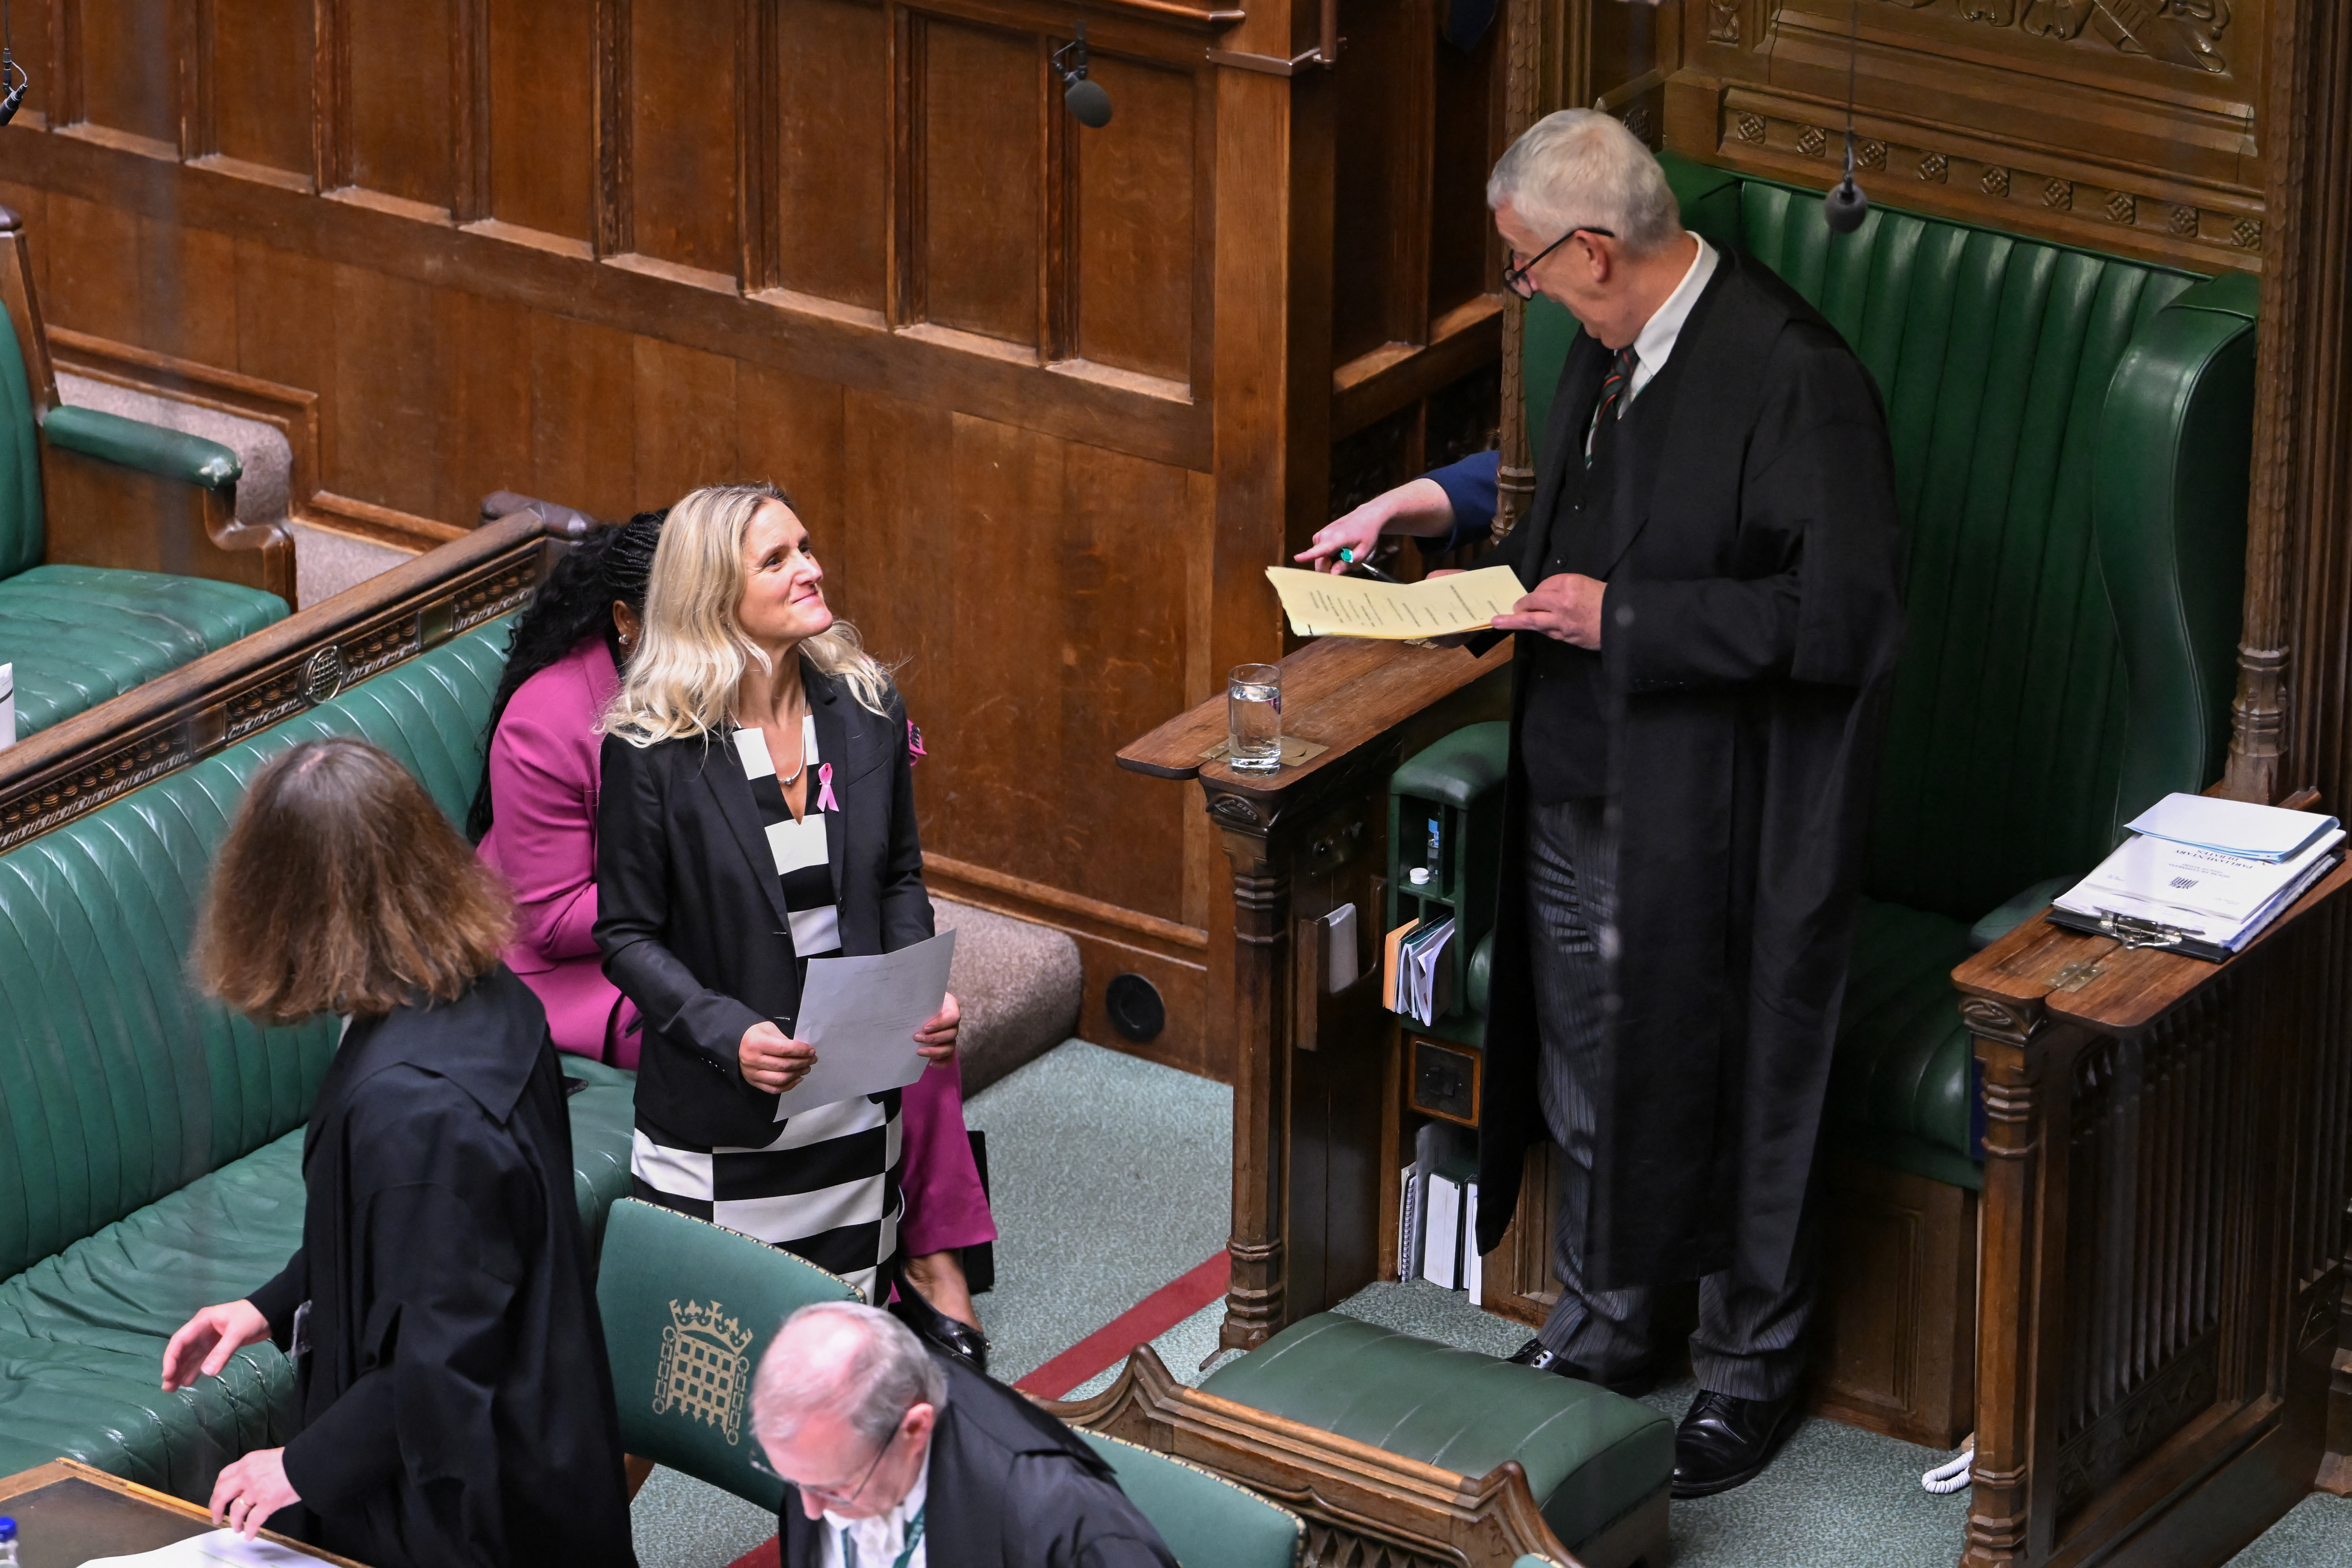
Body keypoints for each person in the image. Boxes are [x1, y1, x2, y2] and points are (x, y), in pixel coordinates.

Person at [1299, 109, 1903, 1496]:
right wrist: (1431, 546)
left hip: (1723, 819)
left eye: (1518, 264)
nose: (1514, 288)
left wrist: (1625, 617)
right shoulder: (1592, 346)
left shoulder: (1795, 377)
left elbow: (1845, 619)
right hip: (1580, 784)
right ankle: (1608, 1326)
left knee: (1748, 1088)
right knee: (1587, 1076)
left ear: (1589, 249)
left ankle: (1747, 1372)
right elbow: (1551, 555)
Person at [162, 738, 636, 1568]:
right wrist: (270, 1304)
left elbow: (443, 1356)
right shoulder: (483, 992)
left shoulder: (413, 1106)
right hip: (540, 1433)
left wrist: (300, 1464)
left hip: (473, 1507)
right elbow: (418, 1242)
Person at [596, 482, 991, 1355]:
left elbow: (896, 875)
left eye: (804, 547)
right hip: (720, 1122)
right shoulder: (649, 747)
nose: (810, 570)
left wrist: (914, 987)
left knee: (844, 1365)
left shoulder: (864, 705)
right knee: (685, 1378)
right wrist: (725, 1032)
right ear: (711, 592)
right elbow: (625, 935)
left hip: (849, 1111)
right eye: (776, 559)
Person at [753, 1302, 1177, 1568]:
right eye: (794, 1482)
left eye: (837, 1489)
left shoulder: (1059, 1517)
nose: (812, 1511)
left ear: (915, 1429)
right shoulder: (824, 1453)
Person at [473, 511, 665, 1065]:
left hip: (703, 941)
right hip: (582, 978)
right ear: (628, 621)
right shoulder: (546, 722)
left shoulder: (735, 671)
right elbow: (552, 920)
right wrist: (708, 876)